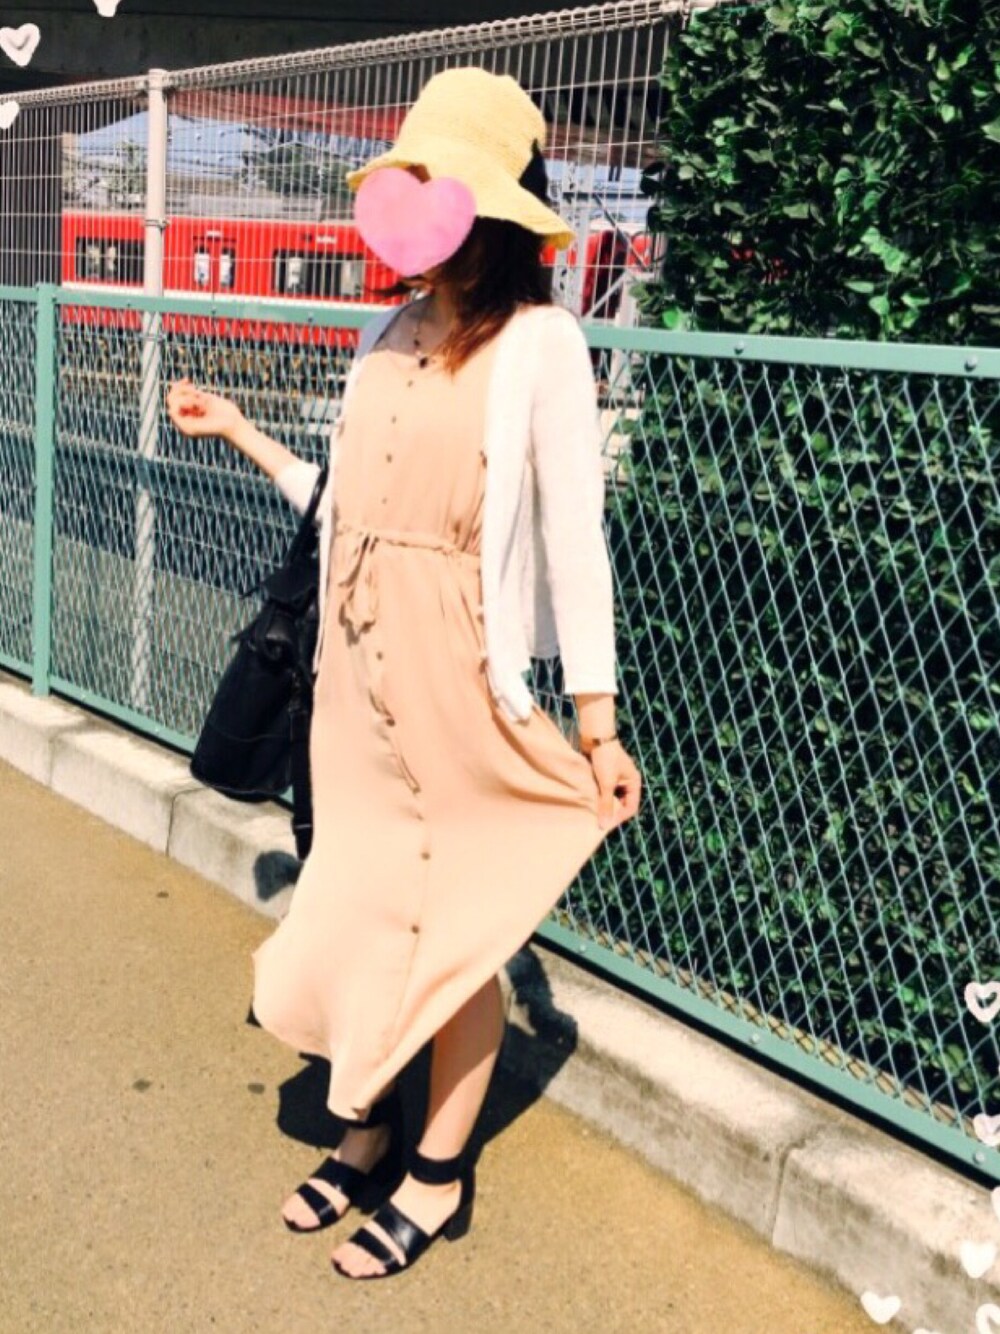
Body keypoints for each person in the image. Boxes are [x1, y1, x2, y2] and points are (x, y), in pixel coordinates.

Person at [166, 66, 642, 1282]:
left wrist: (596, 721)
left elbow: (575, 539)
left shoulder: (540, 343)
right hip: (353, 680)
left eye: (444, 185)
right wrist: (243, 431)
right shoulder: (387, 330)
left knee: (453, 929)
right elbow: (347, 514)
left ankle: (435, 1169)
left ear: (495, 207)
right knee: (362, 912)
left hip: (459, 678)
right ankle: (364, 1125)